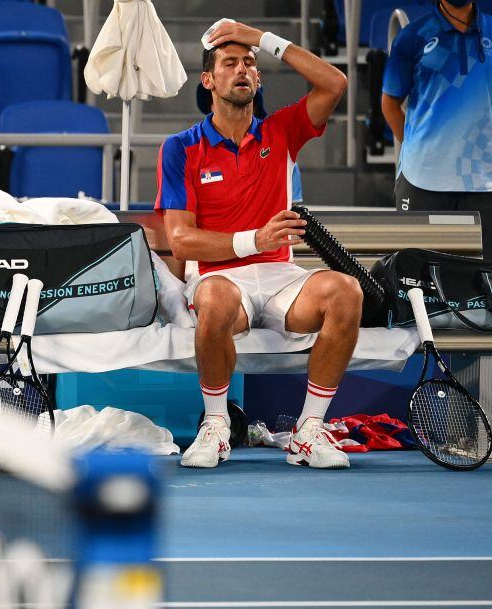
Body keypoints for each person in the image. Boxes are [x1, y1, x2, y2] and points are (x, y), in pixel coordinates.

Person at [156, 20, 356, 469]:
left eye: (250, 63)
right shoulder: (180, 148)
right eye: (230, 63)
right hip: (220, 278)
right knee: (216, 299)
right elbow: (181, 241)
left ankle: (309, 431)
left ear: (258, 78)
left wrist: (260, 37)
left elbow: (335, 82)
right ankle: (216, 427)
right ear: (209, 81)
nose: (242, 68)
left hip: (282, 277)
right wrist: (254, 240)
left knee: (347, 291)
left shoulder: (281, 132)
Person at [381, 1, 492, 254]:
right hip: (422, 181)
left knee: (484, 282)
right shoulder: (413, 36)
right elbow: (389, 104)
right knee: (416, 279)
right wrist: (418, 150)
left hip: (485, 183)